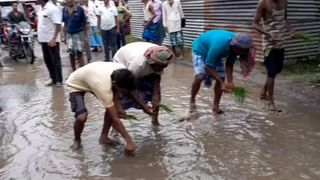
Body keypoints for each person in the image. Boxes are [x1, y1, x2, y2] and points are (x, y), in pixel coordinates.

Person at [66, 62, 136, 155]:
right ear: (115, 83)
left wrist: (119, 107)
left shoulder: (123, 71)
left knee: (112, 108)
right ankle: (77, 139)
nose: (122, 93)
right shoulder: (102, 87)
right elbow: (115, 118)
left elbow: (115, 91)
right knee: (81, 117)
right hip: (76, 84)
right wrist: (129, 141)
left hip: (93, 76)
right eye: (122, 90)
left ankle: (104, 137)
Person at [190, 30, 255, 114]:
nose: (245, 52)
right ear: (236, 47)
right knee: (200, 76)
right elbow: (208, 66)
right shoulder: (220, 46)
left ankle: (215, 106)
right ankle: (192, 100)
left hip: (214, 52)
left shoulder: (235, 49)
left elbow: (229, 64)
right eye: (244, 50)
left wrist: (230, 81)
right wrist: (221, 82)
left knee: (221, 77)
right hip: (200, 50)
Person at [113, 42, 174, 125]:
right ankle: (116, 122)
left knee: (156, 96)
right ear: (152, 62)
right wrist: (143, 106)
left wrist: (155, 94)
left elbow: (157, 76)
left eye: (164, 66)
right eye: (160, 66)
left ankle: (155, 121)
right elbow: (130, 88)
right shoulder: (137, 65)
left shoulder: (161, 55)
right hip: (122, 63)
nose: (162, 68)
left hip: (138, 55)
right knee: (122, 95)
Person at [253, 0, 296, 112]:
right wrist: (268, 34)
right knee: (271, 71)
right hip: (268, 45)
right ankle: (271, 102)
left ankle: (263, 92)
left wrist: (291, 30)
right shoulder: (263, 3)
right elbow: (255, 23)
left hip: (281, 43)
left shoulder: (284, 2)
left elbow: (284, 20)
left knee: (277, 70)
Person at [37, 0, 63, 86]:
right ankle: (53, 79)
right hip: (43, 39)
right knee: (47, 60)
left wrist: (54, 38)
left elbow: (58, 25)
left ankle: (59, 80)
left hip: (51, 39)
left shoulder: (52, 9)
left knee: (55, 60)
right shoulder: (41, 9)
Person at [62, 0, 87, 71]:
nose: (69, 2)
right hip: (69, 34)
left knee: (80, 52)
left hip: (79, 33)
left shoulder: (80, 9)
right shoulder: (64, 10)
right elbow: (64, 24)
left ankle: (82, 71)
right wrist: (64, 36)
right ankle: (74, 71)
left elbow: (85, 23)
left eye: (71, 1)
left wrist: (85, 37)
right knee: (71, 53)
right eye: (68, 1)